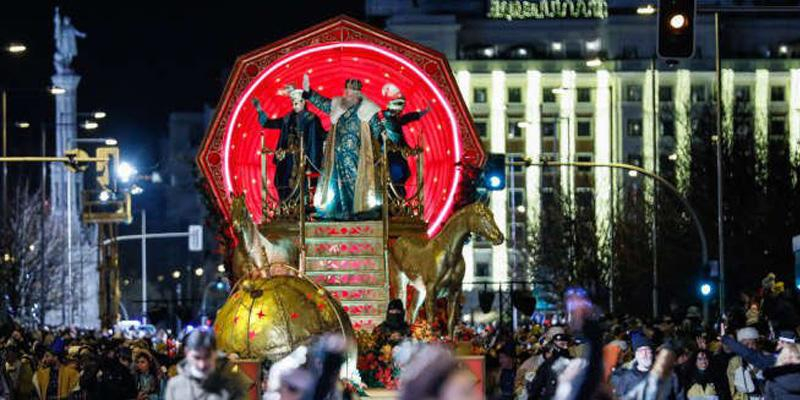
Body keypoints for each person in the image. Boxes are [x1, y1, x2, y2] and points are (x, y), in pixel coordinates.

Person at [302, 74, 384, 221]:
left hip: (357, 157)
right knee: (335, 184)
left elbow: (378, 129)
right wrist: (309, 92)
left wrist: (383, 140)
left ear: (358, 95)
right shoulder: (338, 104)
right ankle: (338, 212)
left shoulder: (367, 109)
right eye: (346, 91)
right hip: (336, 155)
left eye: (351, 93)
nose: (347, 95)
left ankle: (358, 211)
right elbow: (322, 103)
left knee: (354, 184)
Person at [252, 88, 326, 201]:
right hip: (288, 159)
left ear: (303, 102)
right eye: (293, 103)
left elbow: (321, 136)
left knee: (305, 185)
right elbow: (268, 123)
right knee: (282, 181)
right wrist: (259, 110)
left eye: (296, 103)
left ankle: (304, 208)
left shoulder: (312, 119)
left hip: (306, 159)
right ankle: (287, 209)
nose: (294, 105)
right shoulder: (287, 119)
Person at [164, 328, 248, 400]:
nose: (202, 364)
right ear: (186, 352)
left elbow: (243, 388)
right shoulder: (175, 383)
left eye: (207, 356)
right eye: (197, 357)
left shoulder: (227, 370)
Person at [378, 83, 429, 198]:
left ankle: (396, 199)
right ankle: (395, 200)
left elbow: (404, 119)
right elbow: (397, 139)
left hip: (391, 156)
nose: (400, 113)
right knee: (397, 177)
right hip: (391, 157)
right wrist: (408, 149)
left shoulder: (389, 118)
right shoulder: (389, 121)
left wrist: (420, 114)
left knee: (398, 177)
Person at [611, 331, 684, 400]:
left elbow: (680, 397)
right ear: (636, 355)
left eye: (647, 350)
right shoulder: (626, 378)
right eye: (641, 351)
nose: (645, 354)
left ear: (652, 353)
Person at [527, 333, 573, 399]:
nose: (565, 347)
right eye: (562, 344)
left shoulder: (574, 362)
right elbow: (536, 386)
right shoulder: (547, 364)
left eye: (567, 344)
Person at [725, 327, 766, 400]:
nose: (750, 347)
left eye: (753, 343)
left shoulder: (765, 358)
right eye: (746, 344)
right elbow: (731, 386)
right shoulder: (734, 362)